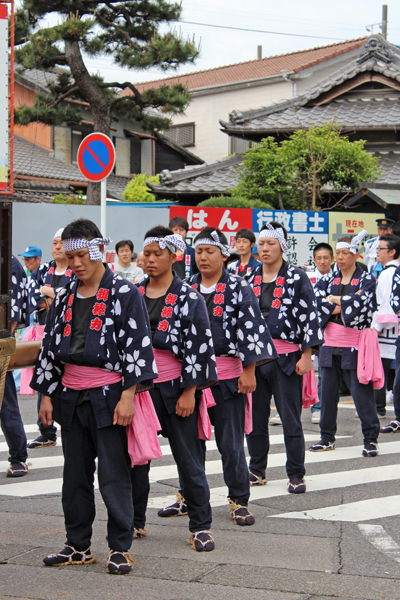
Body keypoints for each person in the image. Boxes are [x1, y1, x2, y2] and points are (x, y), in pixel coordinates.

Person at [30, 218, 157, 574]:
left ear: (98, 250)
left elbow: (138, 347)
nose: (76, 264)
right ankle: (77, 544)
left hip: (110, 394)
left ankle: (120, 547)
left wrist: (129, 394)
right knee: (75, 475)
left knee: (115, 475)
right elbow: (50, 348)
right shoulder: (66, 293)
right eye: (70, 258)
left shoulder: (124, 292)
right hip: (71, 394)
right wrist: (46, 395)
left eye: (82, 255)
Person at [134, 225, 218, 552]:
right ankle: (135, 520)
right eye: (148, 254)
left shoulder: (188, 296)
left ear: (173, 256)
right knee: (137, 458)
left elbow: (200, 346)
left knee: (188, 458)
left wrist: (189, 391)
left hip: (176, 386)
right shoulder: (134, 294)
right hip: (141, 389)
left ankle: (200, 526)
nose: (151, 260)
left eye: (158, 254)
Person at [186, 227, 277, 524]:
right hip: (192, 379)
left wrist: (249, 371)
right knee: (190, 443)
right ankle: (190, 496)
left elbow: (251, 329)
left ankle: (239, 499)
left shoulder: (239, 287)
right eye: (198, 251)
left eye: (209, 251)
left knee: (232, 444)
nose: (203, 257)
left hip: (228, 377)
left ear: (225, 255)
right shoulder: (186, 287)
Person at [246, 222, 323, 493]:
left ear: (283, 246)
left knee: (290, 418)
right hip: (255, 359)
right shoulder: (249, 277)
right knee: (255, 418)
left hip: (287, 357)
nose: (264, 248)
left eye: (271, 243)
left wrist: (306, 354)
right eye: (261, 243)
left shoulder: (296, 277)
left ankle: (296, 473)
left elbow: (309, 316)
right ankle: (256, 470)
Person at [310, 231, 381, 457]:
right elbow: (317, 301)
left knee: (361, 393)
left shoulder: (367, 278)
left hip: (354, 342)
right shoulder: (328, 278)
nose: (339, 257)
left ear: (356, 254)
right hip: (330, 342)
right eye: (337, 253)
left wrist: (334, 301)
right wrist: (340, 303)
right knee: (328, 393)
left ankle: (370, 439)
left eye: (344, 253)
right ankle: (327, 437)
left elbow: (363, 303)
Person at [25, 229, 75, 449]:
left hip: (69, 331)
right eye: (54, 243)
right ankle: (46, 431)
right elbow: (31, 294)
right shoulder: (45, 268)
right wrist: (52, 294)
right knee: (44, 375)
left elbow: (71, 296)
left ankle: (70, 426)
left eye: (61, 243)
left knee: (66, 378)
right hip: (43, 330)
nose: (57, 247)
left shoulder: (76, 270)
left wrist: (49, 292)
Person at [0, 256, 30, 477]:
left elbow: (15, 305)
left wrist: (5, 339)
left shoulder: (9, 262)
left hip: (0, 340)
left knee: (6, 401)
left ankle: (18, 457)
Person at [370, 234, 400, 418]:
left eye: (381, 249)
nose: (377, 252)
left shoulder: (389, 273)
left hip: (387, 328)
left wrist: (377, 328)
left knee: (379, 369)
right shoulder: (388, 271)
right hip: (389, 328)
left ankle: (378, 408)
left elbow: (388, 304)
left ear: (392, 252)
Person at [310, 243, 335, 424]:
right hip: (308, 329)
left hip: (330, 331)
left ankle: (318, 408)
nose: (322, 261)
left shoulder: (339, 278)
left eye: (326, 257)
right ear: (314, 260)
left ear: (332, 259)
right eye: (319, 258)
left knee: (324, 372)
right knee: (299, 371)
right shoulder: (306, 277)